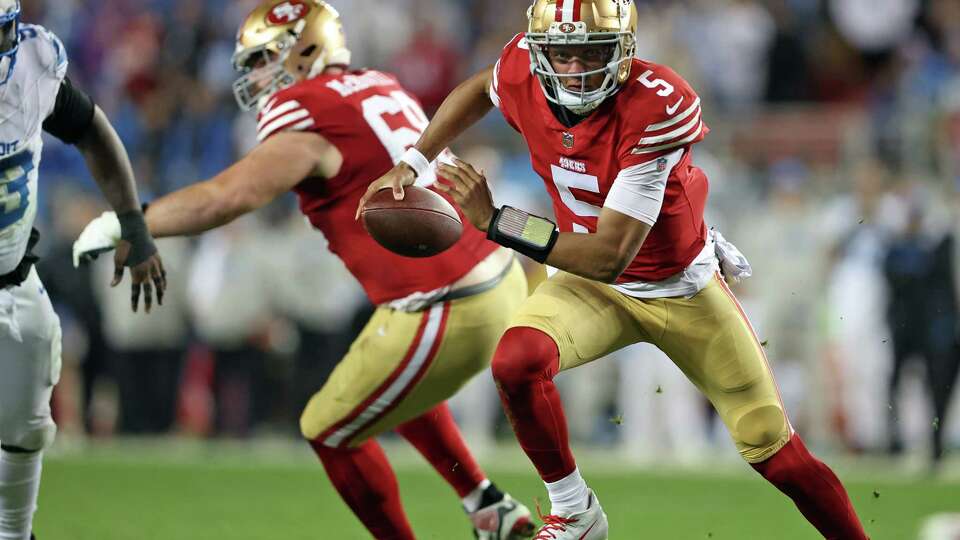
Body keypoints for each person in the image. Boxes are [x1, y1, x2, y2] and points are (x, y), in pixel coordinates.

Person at [360, 1, 870, 538]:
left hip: (678, 288)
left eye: (590, 54)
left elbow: (610, 255)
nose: (575, 70)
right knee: (516, 361)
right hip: (590, 285)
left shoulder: (656, 105)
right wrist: (413, 161)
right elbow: (476, 90)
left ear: (623, 52)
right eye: (562, 54)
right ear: (539, 52)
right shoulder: (520, 69)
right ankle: (576, 512)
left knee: (778, 456)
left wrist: (496, 221)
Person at [73, 2, 534, 538]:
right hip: (493, 272)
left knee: (327, 427)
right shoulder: (374, 83)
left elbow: (232, 194)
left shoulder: (307, 110)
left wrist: (130, 221)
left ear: (307, 49)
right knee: (373, 387)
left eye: (267, 58)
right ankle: (488, 505)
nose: (256, 74)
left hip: (448, 302)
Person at [0, 1, 165, 538]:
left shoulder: (34, 61)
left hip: (17, 280)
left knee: (28, 428)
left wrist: (133, 224)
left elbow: (93, 130)